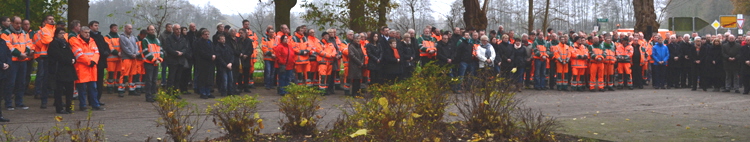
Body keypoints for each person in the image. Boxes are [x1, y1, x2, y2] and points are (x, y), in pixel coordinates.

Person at [69, 26, 105, 111]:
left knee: (93, 88)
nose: (87, 34)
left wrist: (94, 61)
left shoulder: (92, 41)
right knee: (82, 89)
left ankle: (95, 105)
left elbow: (97, 52)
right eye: (85, 32)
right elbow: (78, 55)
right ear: (80, 32)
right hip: (82, 68)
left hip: (92, 68)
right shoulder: (76, 41)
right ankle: (83, 105)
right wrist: (90, 62)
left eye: (88, 32)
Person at [1, 16, 31, 110]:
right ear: (12, 23)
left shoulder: (24, 33)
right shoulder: (6, 33)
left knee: (21, 82)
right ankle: (8, 103)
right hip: (13, 61)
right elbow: (8, 46)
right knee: (11, 83)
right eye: (16, 23)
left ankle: (19, 102)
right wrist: (19, 54)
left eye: (20, 23)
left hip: (23, 61)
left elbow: (29, 43)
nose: (19, 25)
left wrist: (26, 52)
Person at [49, 28, 77, 114]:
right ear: (56, 34)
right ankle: (59, 108)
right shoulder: (53, 44)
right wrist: (69, 60)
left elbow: (71, 53)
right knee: (59, 91)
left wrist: (73, 59)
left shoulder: (66, 43)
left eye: (63, 33)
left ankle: (69, 107)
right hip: (59, 70)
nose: (62, 35)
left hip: (69, 70)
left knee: (70, 90)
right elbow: (58, 56)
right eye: (60, 33)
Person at [33, 15, 56, 109]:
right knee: (44, 78)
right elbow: (46, 41)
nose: (52, 20)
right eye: (50, 19)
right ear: (45, 21)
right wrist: (57, 42)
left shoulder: (55, 30)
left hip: (54, 57)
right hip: (45, 57)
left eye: (53, 19)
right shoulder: (43, 30)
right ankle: (43, 100)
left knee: (55, 79)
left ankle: (56, 99)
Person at [163, 24, 190, 96]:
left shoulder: (183, 39)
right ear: (173, 30)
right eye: (177, 29)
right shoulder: (169, 38)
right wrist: (175, 53)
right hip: (172, 61)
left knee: (178, 78)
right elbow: (168, 48)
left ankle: (176, 93)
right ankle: (169, 93)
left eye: (179, 29)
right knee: (171, 78)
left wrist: (182, 52)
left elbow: (185, 48)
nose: (178, 31)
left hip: (180, 60)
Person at [88, 21, 110, 105]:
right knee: (93, 83)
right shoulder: (90, 37)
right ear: (90, 26)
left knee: (99, 82)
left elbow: (106, 46)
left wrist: (107, 52)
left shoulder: (100, 36)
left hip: (101, 62)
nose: (97, 27)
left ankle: (98, 99)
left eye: (98, 25)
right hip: (94, 63)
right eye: (95, 25)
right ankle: (92, 100)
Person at [141, 25, 163, 102]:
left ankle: (154, 95)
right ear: (148, 31)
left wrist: (160, 59)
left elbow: (161, 51)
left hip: (156, 62)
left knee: (154, 80)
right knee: (149, 80)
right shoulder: (145, 40)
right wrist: (154, 60)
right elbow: (145, 52)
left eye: (153, 29)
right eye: (151, 30)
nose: (152, 31)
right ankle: (148, 96)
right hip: (149, 63)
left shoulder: (157, 40)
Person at [104, 24, 122, 96]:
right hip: (111, 59)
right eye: (114, 28)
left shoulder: (120, 36)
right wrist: (117, 53)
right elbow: (109, 47)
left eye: (117, 28)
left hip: (119, 58)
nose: (116, 29)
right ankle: (110, 88)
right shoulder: (107, 37)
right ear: (111, 29)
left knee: (118, 73)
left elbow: (122, 45)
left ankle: (117, 87)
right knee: (111, 74)